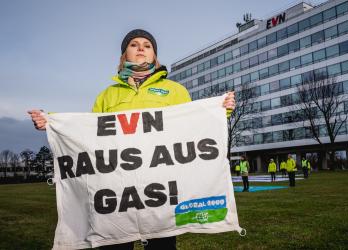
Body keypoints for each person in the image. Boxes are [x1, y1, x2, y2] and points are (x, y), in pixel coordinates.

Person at [28, 28, 236, 250]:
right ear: (124, 54)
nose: (140, 49)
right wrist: (52, 124)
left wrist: (220, 111)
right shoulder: (108, 95)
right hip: (118, 189)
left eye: (147, 46)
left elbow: (192, 124)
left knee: (161, 246)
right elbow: (91, 136)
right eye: (134, 44)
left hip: (161, 188)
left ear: (154, 55)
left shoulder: (174, 90)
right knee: (115, 245)